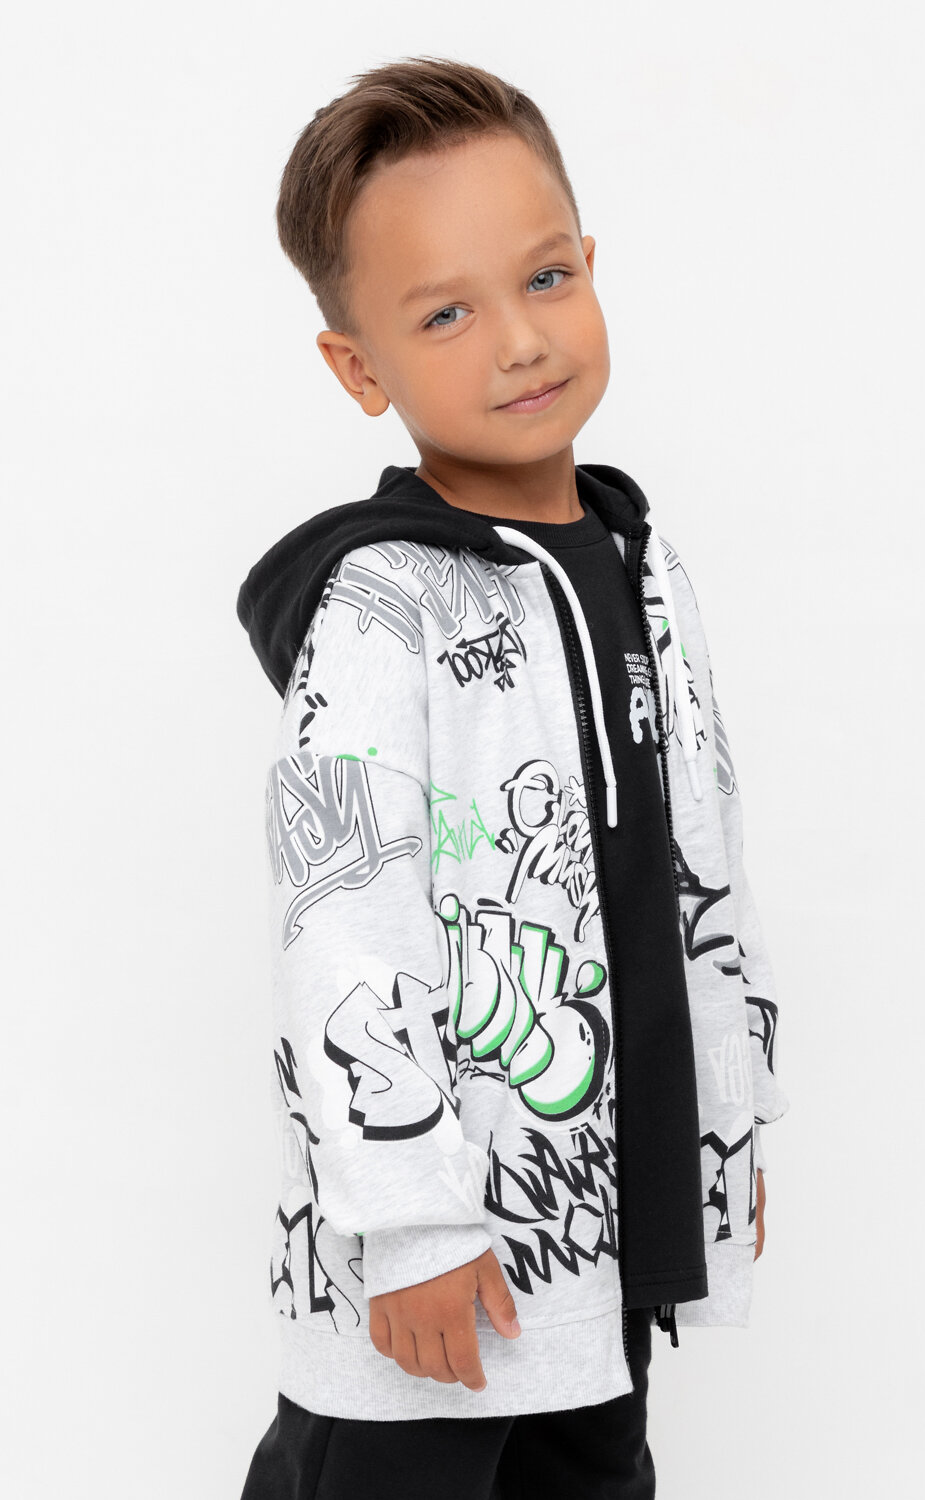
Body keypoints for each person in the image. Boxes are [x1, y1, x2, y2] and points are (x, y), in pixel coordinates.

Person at [235, 54, 790, 1500]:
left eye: (545, 279)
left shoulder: (644, 568)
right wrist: (412, 1220)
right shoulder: (379, 613)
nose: (520, 341)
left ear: (591, 264)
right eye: (445, 313)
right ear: (360, 368)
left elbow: (703, 868)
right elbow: (343, 927)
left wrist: (722, 1130)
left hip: (600, 1236)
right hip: (437, 1256)